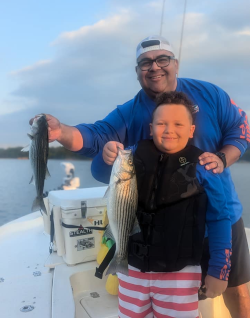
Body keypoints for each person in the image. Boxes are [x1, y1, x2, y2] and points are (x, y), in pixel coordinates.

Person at [30, 35, 250, 317]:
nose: (154, 67)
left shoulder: (210, 94)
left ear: (175, 64)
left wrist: (221, 159)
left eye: (162, 59)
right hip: (169, 229)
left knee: (238, 292)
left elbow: (241, 129)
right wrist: (61, 131)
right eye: (145, 63)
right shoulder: (129, 112)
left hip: (220, 213)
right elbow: (94, 138)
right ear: (137, 72)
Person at [102, 91, 231, 318]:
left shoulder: (205, 167)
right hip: (131, 268)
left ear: (191, 131)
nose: (169, 130)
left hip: (181, 273)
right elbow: (106, 168)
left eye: (178, 124)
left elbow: (220, 218)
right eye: (161, 123)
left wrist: (220, 271)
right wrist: (108, 151)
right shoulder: (131, 156)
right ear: (150, 128)